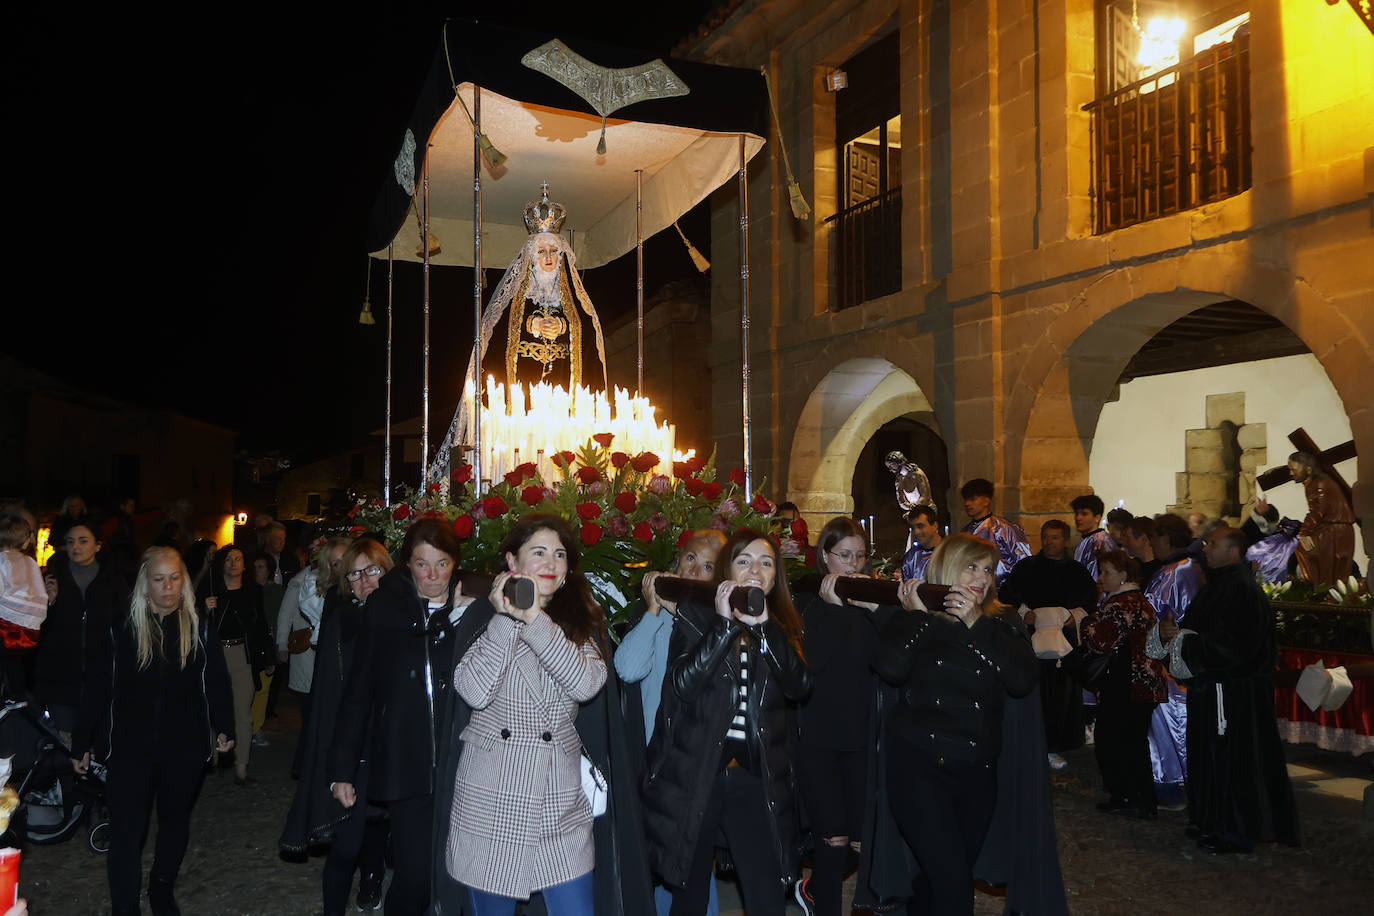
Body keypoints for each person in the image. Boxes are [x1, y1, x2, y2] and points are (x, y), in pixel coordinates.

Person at [444, 515, 608, 914]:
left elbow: (586, 684)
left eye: (559, 554)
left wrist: (535, 619)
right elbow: (474, 691)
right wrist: (506, 617)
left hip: (559, 802)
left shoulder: (582, 621)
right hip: (492, 800)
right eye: (538, 552)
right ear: (512, 562)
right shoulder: (481, 616)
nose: (551, 562)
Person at [642, 528, 811, 916]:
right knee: (690, 895)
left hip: (755, 778)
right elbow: (683, 685)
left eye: (766, 562)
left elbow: (800, 685)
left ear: (775, 576)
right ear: (727, 569)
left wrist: (765, 626)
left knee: (766, 896)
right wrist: (723, 627)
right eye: (744, 560)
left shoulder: (782, 624)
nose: (756, 569)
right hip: (699, 774)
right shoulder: (697, 615)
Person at [328, 518, 492, 916]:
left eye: (442, 563)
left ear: (456, 564)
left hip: (466, 765)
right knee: (414, 879)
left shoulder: (478, 610)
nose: (433, 575)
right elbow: (359, 691)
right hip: (407, 765)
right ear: (407, 565)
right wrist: (342, 768)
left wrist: (463, 625)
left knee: (460, 876)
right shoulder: (385, 608)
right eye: (422, 564)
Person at [873, 533, 1038, 915]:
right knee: (953, 884)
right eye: (971, 566)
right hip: (919, 770)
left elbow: (1022, 680)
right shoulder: (919, 619)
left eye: (988, 569)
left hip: (977, 773)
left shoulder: (1002, 623)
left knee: (941, 877)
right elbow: (890, 669)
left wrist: (976, 622)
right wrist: (916, 616)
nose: (981, 577)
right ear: (948, 568)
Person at [72, 547, 235, 916]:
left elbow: (217, 682)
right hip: (130, 750)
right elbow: (98, 687)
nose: (167, 587)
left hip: (184, 749)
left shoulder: (199, 628)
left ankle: (162, 887)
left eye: (174, 578)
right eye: (159, 579)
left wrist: (224, 727)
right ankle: (125, 906)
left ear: (184, 582)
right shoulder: (122, 629)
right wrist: (81, 741)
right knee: (128, 832)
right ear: (145, 584)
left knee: (175, 822)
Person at [1155, 526, 1300, 853]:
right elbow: (1196, 633)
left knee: (1232, 761)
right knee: (1208, 758)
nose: (1205, 548)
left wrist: (1183, 640)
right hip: (1212, 691)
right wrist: (1173, 636)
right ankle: (1210, 820)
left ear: (1234, 551)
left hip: (1234, 697)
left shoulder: (1243, 592)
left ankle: (1234, 830)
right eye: (1205, 543)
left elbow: (1234, 648)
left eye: (1212, 543)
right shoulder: (1216, 587)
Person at [615, 529, 726, 916]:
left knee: (690, 865)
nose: (695, 571)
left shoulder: (721, 624)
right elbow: (627, 670)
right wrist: (652, 611)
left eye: (708, 566)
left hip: (693, 766)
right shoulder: (655, 612)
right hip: (651, 760)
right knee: (646, 859)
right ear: (677, 560)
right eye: (691, 559)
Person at [280, 538, 393, 915]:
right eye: (356, 574)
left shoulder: (409, 620)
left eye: (372, 570)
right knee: (346, 844)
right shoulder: (343, 622)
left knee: (379, 828)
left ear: (388, 571)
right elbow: (330, 695)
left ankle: (373, 880)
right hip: (354, 747)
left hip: (391, 745)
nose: (365, 581)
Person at [793, 518, 879, 916]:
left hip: (862, 737)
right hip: (819, 740)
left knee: (865, 841)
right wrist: (834, 611)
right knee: (834, 839)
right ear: (825, 557)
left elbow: (888, 664)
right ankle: (822, 902)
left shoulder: (871, 603)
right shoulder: (808, 605)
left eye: (860, 555)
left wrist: (876, 611)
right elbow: (811, 665)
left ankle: (812, 887)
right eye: (844, 556)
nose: (854, 564)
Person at [998, 519, 1098, 767]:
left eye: (1054, 537)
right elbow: (1007, 595)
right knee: (1034, 692)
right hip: (1030, 642)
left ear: (1065, 540)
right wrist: (1024, 612)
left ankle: (1056, 744)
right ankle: (1030, 743)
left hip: (1063, 645)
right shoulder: (1026, 568)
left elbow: (1088, 602)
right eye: (1045, 537)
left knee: (1060, 697)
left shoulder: (1077, 571)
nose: (1049, 542)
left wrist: (1072, 616)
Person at [1080, 550, 1165, 820]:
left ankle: (1125, 796)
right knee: (1134, 743)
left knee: (1113, 742)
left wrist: (1087, 621)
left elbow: (1099, 642)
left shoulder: (1120, 604)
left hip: (1124, 684)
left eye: (1106, 572)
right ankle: (1143, 799)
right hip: (1144, 682)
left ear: (1123, 575)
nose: (1101, 577)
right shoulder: (1140, 601)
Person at [36, 522, 128, 742]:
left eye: (83, 540)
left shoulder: (115, 582)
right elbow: (35, 629)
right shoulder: (50, 579)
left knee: (100, 739)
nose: (76, 546)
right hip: (61, 676)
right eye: (70, 541)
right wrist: (48, 603)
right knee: (66, 740)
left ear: (97, 546)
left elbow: (124, 624)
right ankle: (66, 777)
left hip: (102, 677)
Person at [197, 545, 274, 784]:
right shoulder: (209, 589)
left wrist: (268, 655)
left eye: (238, 559)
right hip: (215, 654)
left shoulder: (252, 591)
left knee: (243, 710)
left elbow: (260, 623)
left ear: (244, 564)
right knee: (211, 707)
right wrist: (203, 609)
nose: (233, 563)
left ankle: (241, 766)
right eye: (228, 559)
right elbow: (192, 623)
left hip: (242, 653)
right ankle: (214, 759)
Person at [1144, 514, 1201, 809]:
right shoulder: (1197, 568)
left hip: (1171, 668)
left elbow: (1148, 615)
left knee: (1170, 731)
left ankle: (1171, 789)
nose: (1151, 544)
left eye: (1153, 537)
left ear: (1165, 538)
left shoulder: (1171, 574)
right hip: (1194, 665)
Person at [1287, 451, 1357, 588]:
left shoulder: (1318, 484)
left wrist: (1304, 532)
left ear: (1308, 468)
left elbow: (1317, 511)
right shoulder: (1316, 482)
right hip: (1335, 529)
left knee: (1309, 552)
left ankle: (1319, 591)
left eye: (1293, 470)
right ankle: (1321, 591)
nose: (1291, 474)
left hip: (1334, 531)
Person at [0, 512, 47, 691]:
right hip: (31, 628)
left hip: (6, 624)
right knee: (15, 661)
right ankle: (18, 695)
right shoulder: (30, 562)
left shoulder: (2, 560)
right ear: (26, 541)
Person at [959, 478, 1030, 585]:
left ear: (986, 501)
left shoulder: (1004, 528)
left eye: (973, 499)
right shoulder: (964, 531)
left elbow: (1024, 561)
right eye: (966, 499)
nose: (967, 503)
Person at [1070, 494, 1116, 581]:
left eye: (1084, 514)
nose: (1078, 518)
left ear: (1097, 518)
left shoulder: (1101, 541)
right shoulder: (1085, 540)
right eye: (1076, 513)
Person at [900, 505, 942, 581]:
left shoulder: (950, 552)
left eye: (920, 526)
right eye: (913, 528)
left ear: (935, 526)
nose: (916, 532)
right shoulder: (910, 558)